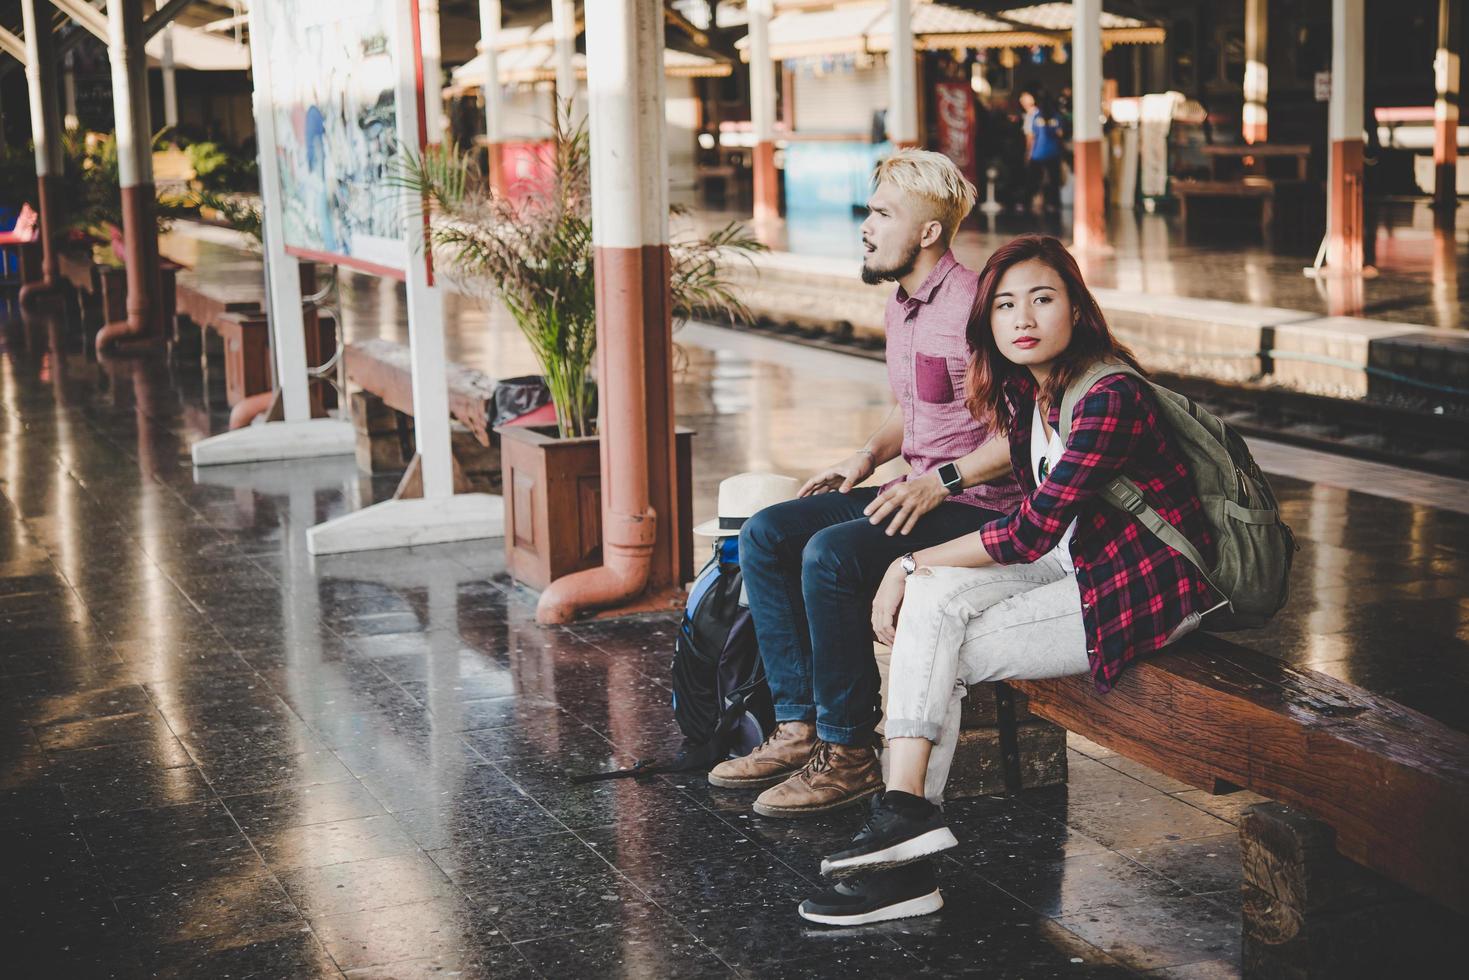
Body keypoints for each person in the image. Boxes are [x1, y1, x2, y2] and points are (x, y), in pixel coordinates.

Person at [797, 234, 1218, 926]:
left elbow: (1029, 532)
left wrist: (906, 564)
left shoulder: (1107, 395)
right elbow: (1037, 534)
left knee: (934, 637)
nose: (1022, 318)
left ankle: (903, 851)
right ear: (987, 322)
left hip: (1141, 587)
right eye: (1004, 305)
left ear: (1076, 311)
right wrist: (921, 572)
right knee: (933, 610)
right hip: (1073, 563)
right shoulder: (1031, 392)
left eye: (1042, 299)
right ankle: (902, 821)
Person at [707, 150, 1024, 818]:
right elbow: (913, 407)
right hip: (913, 488)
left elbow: (1022, 436)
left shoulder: (973, 309)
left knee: (832, 556)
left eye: (882, 213)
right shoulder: (901, 306)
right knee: (768, 532)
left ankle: (848, 752)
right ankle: (798, 729)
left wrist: (938, 480)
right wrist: (863, 458)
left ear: (928, 232)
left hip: (977, 506)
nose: (866, 225)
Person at [1021, 91, 1065, 215]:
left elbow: (1032, 137)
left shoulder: (1036, 116)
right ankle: (1053, 204)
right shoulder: (1057, 117)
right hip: (1053, 153)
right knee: (1053, 181)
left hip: (1038, 153)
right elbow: (1060, 135)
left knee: (1033, 180)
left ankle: (1026, 203)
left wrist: (1028, 153)